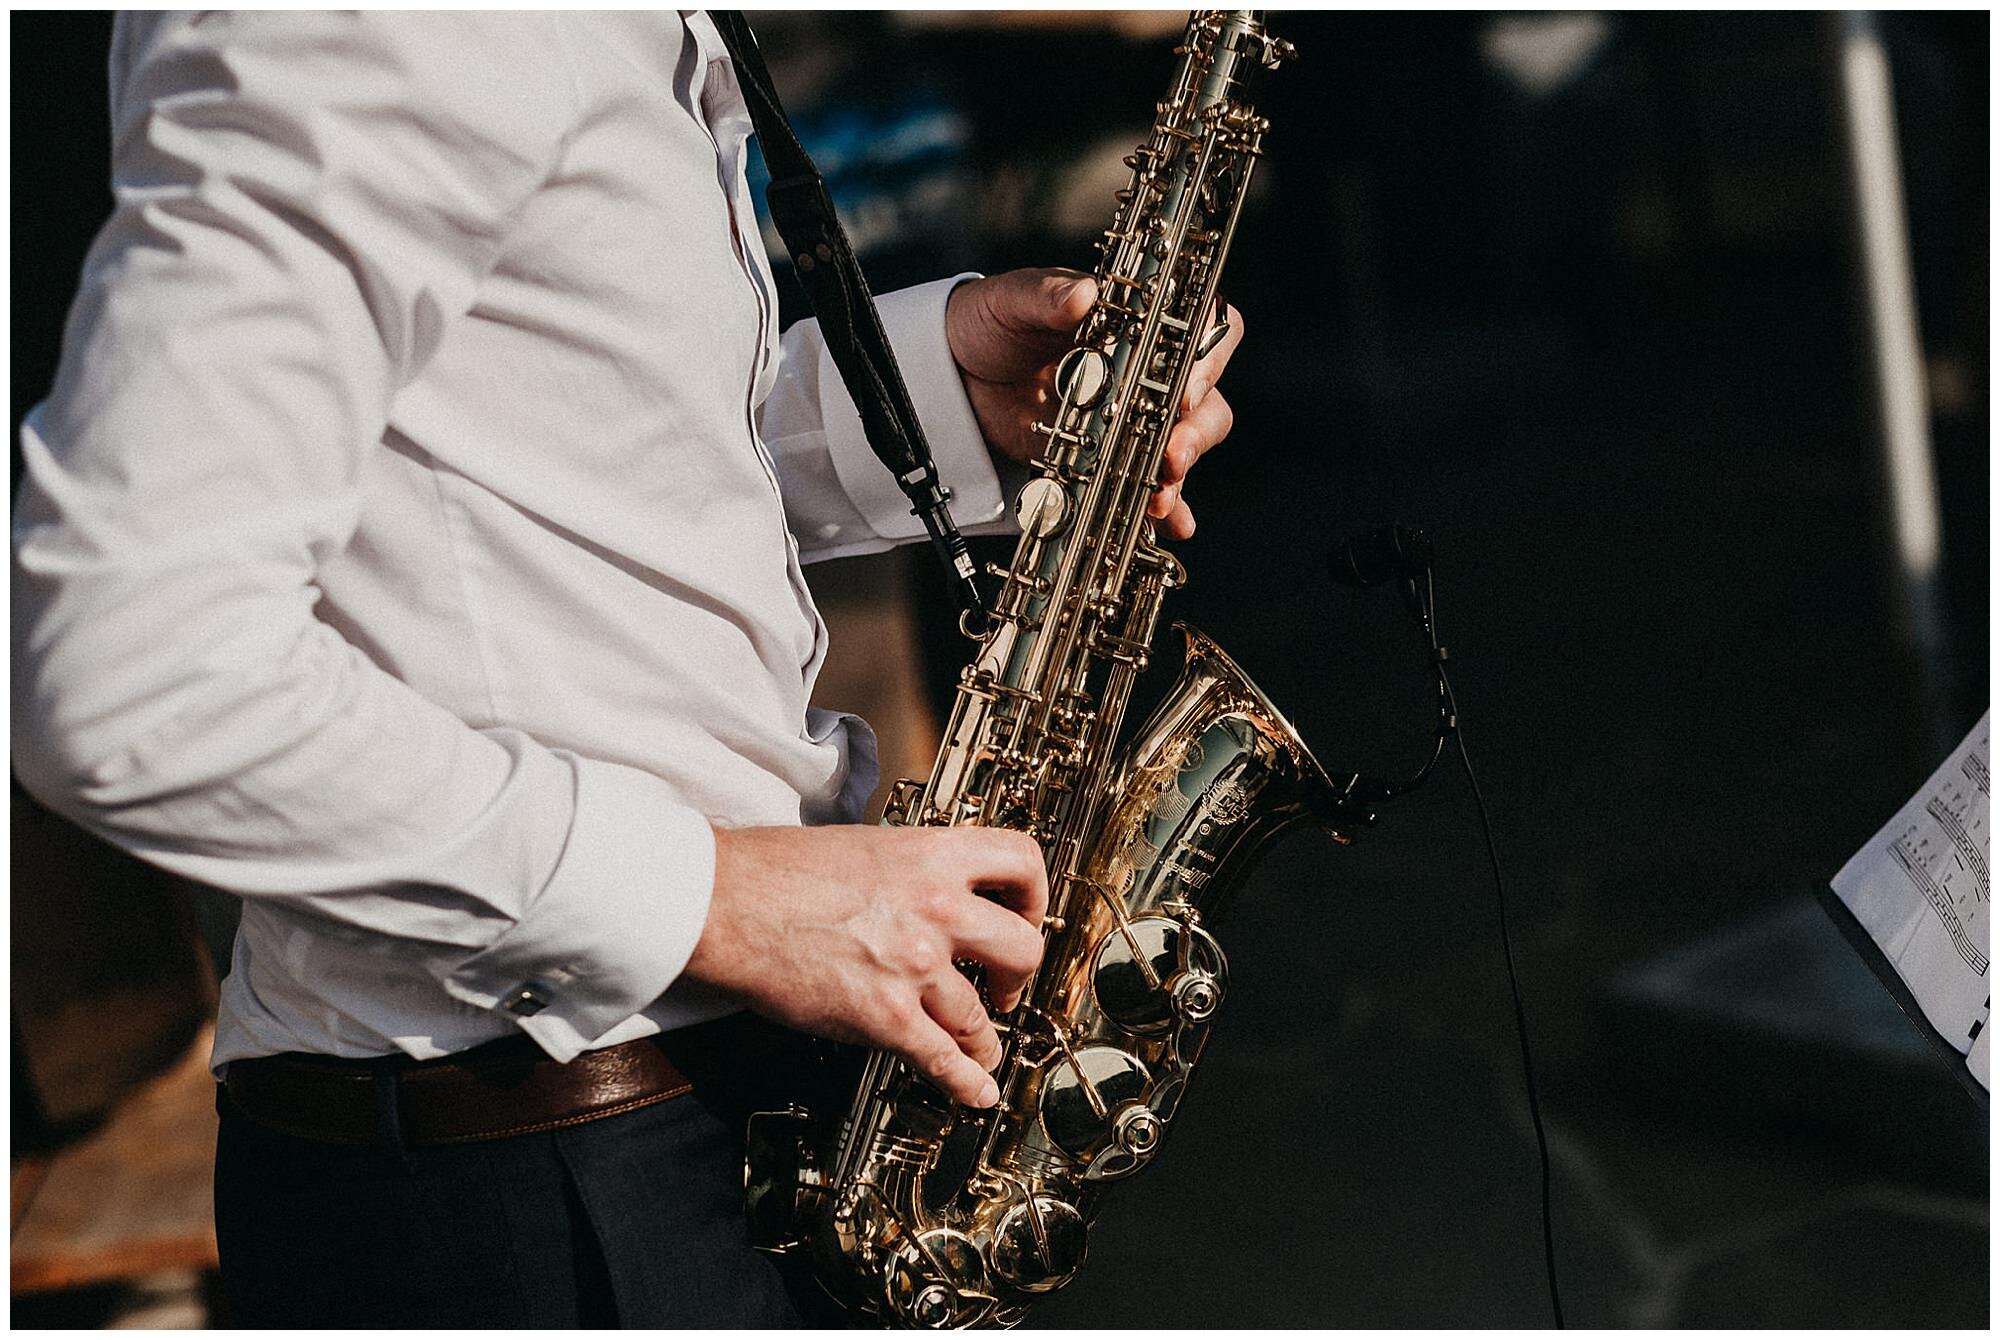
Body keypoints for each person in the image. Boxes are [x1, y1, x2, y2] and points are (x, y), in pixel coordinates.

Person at [12, 11, 1243, 1327]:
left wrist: (928, 400)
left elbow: (504, 449)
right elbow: (124, 663)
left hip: (645, 1130)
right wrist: (721, 900)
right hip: (539, 1174)